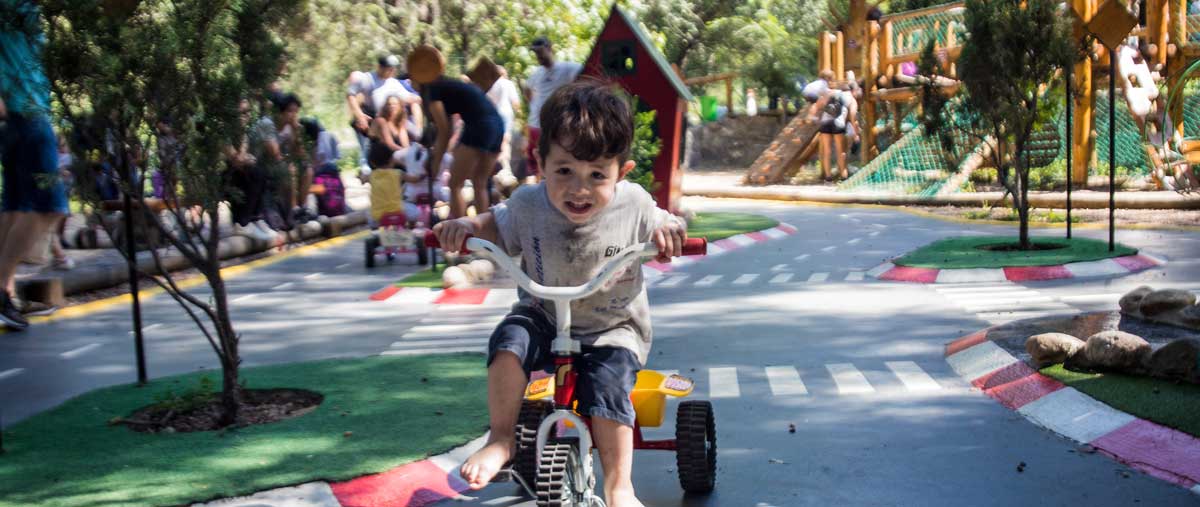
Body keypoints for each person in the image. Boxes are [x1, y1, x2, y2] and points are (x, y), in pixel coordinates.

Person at [435, 81, 687, 507]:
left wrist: (669, 230)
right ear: (540, 162)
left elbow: (666, 223)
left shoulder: (634, 205)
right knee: (508, 342)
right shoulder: (529, 204)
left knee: (607, 387)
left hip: (613, 325)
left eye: (596, 176)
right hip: (544, 313)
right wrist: (468, 227)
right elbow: (495, 223)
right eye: (564, 170)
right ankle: (501, 440)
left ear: (621, 173)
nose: (579, 189)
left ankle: (619, 485)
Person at [0, 0, 70, 329]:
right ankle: (1, 288)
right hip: (25, 110)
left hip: (25, 111)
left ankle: (7, 292)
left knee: (16, 206)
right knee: (49, 206)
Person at [409, 46, 505, 219]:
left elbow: (444, 131)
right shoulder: (447, 84)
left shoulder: (432, 90)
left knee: (455, 184)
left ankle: (460, 233)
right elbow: (449, 128)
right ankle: (484, 234)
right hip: (497, 124)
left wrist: (436, 163)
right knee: (479, 182)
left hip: (479, 126)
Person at [524, 37, 582, 183]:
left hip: (554, 125)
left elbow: (586, 77)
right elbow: (527, 89)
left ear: (550, 49)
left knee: (553, 161)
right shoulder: (537, 73)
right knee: (537, 163)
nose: (539, 57)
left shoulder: (568, 68)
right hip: (535, 125)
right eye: (536, 54)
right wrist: (533, 105)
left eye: (541, 52)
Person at [346, 55, 401, 172]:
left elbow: (407, 96)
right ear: (380, 67)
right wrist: (359, 115)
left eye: (393, 69)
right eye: (389, 68)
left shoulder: (393, 83)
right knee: (366, 147)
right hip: (368, 120)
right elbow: (350, 94)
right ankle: (365, 168)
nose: (392, 71)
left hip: (384, 122)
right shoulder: (367, 79)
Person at [809, 83, 858, 181]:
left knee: (827, 151)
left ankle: (828, 178)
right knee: (840, 151)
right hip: (838, 123)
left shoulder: (831, 92)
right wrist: (856, 134)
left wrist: (811, 117)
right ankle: (843, 176)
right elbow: (853, 115)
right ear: (852, 91)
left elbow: (817, 104)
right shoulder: (851, 99)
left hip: (825, 123)